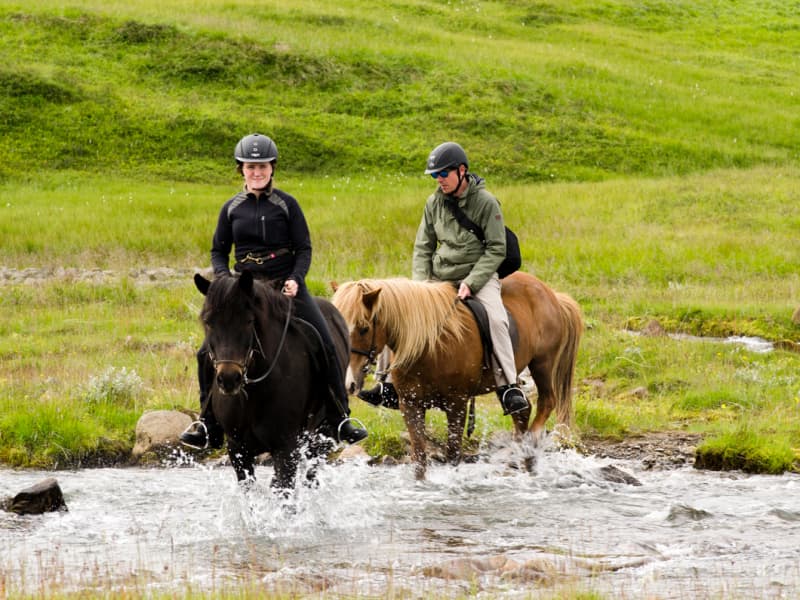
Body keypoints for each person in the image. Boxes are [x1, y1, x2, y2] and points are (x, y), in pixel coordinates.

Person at [180, 133, 367, 449]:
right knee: (204, 351)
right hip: (246, 292)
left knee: (325, 342)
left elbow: (304, 248)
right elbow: (218, 251)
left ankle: (340, 417)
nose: (257, 172)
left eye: (262, 167)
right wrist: (226, 282)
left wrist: (296, 277)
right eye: (251, 167)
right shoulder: (231, 209)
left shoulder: (287, 204)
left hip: (286, 288)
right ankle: (207, 422)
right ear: (241, 169)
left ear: (272, 168)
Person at [360, 142, 528, 416]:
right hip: (439, 278)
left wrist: (472, 282)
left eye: (443, 174)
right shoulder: (433, 202)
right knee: (398, 311)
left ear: (462, 171)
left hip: (479, 276)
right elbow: (423, 247)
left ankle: (508, 386)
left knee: (497, 320)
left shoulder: (486, 203)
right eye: (435, 175)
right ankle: (386, 384)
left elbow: (497, 248)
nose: (439, 180)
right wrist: (419, 286)